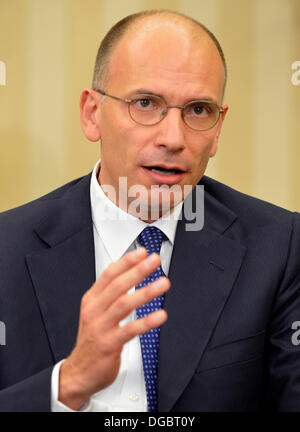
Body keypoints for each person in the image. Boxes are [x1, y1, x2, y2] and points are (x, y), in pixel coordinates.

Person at [1, 10, 300, 412]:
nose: (173, 138)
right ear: (92, 114)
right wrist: (66, 385)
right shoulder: (6, 248)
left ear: (217, 129)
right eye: (145, 103)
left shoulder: (279, 247)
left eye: (197, 110)